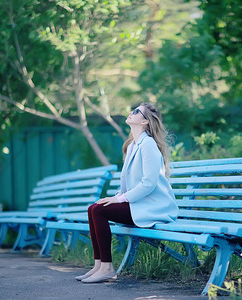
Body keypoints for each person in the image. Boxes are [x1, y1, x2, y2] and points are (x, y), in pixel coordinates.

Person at [75, 102, 179, 284]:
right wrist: (115, 197)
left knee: (98, 211)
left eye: (137, 111)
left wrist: (119, 199)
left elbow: (148, 184)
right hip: (138, 204)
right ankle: (99, 265)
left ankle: (107, 268)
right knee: (94, 208)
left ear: (145, 121)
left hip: (154, 207)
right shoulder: (133, 146)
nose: (131, 112)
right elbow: (128, 184)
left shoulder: (148, 145)